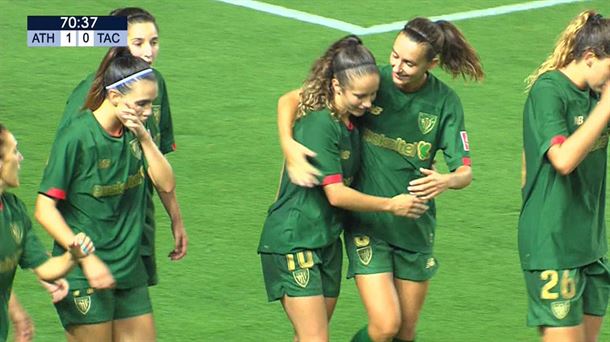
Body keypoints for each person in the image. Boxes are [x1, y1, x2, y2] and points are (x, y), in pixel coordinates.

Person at [278, 17, 482, 342]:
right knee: (386, 324)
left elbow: (465, 172)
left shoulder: (445, 103)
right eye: (395, 56)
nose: (398, 67)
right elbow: (292, 99)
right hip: (368, 225)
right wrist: (288, 146)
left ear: (432, 63)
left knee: (405, 332)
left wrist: (446, 180)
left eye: (410, 63)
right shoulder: (371, 82)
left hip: (415, 226)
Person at [259, 35, 429, 342]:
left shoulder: (348, 120)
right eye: (360, 96)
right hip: (295, 241)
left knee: (309, 337)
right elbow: (336, 194)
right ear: (337, 86)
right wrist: (391, 205)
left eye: (373, 95)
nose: (368, 103)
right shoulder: (320, 123)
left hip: (326, 241)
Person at [34, 54, 175, 341]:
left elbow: (167, 183)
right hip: (84, 271)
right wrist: (87, 259)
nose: (148, 111)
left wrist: (145, 137)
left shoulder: (137, 132)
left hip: (128, 268)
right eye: (141, 103)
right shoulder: (77, 137)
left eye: (151, 102)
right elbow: (44, 208)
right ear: (113, 96)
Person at [59, 7, 187, 288]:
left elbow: (157, 162)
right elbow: (60, 172)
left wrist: (176, 218)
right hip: (95, 235)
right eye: (138, 42)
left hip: (137, 231)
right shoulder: (88, 95)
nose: (148, 52)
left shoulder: (156, 85)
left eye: (153, 42)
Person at [520, 10, 610, 342]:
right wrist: (606, 106)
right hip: (552, 247)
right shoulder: (549, 91)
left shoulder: (595, 95)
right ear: (589, 57)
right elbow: (564, 160)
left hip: (590, 246)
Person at [0, 123, 94, 342]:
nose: (21, 158)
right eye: (14, 151)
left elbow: (46, 268)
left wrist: (73, 255)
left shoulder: (14, 211)